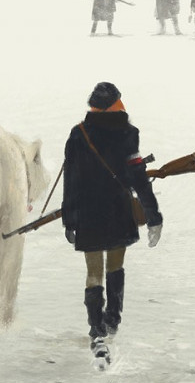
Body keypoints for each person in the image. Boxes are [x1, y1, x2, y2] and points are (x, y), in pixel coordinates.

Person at [61, 82, 163, 363]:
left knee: (93, 272)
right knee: (115, 266)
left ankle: (96, 331)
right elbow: (138, 178)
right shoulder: (129, 134)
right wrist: (153, 215)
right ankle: (112, 322)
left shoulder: (78, 133)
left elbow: (71, 179)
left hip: (88, 213)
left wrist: (69, 219)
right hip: (118, 210)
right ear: (117, 104)